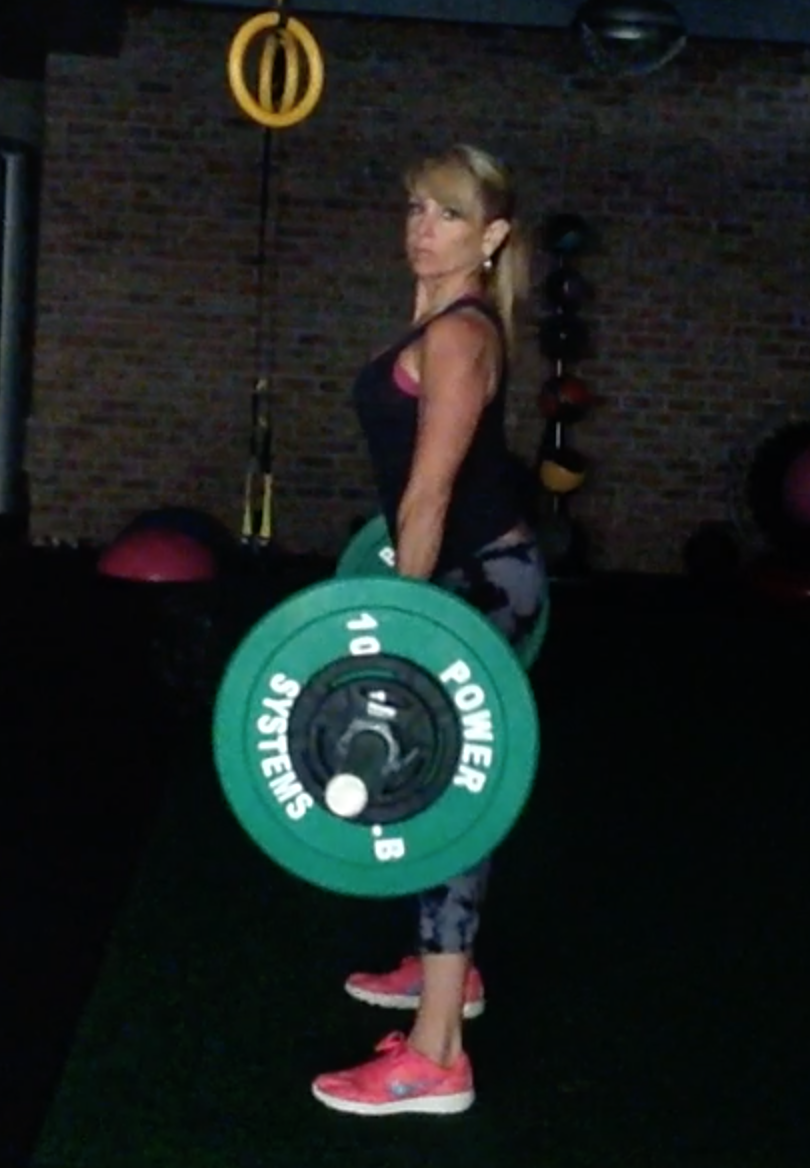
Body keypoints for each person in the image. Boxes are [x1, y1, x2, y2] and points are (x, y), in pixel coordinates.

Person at [311, 143, 547, 1117]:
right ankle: (452, 974)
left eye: (446, 215)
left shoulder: (459, 334)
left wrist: (400, 623)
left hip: (476, 578)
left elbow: (431, 491)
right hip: (464, 568)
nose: (421, 228)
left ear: (490, 237)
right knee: (437, 789)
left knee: (446, 797)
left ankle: (438, 1055)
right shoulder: (446, 319)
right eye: (414, 208)